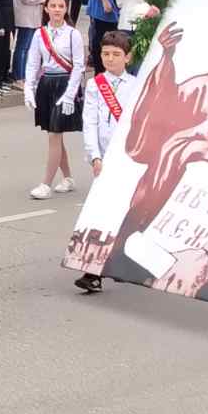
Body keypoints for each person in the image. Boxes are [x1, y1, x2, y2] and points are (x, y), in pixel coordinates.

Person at [74, 30, 139, 293]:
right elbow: (89, 122)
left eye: (116, 54)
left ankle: (112, 264)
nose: (110, 59)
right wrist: (95, 156)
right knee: (101, 216)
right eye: (105, 54)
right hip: (104, 160)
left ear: (128, 57)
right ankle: (93, 271)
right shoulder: (95, 84)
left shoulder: (137, 85)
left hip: (129, 159)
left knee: (123, 215)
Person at [24, 0, 85, 200]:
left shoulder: (73, 34)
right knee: (54, 134)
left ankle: (46, 183)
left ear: (66, 9)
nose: (57, 10)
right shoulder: (39, 34)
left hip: (65, 84)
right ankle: (67, 178)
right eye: (53, 6)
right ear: (46, 9)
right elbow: (33, 62)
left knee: (54, 135)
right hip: (46, 84)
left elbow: (79, 66)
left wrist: (70, 94)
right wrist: (29, 88)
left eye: (61, 6)